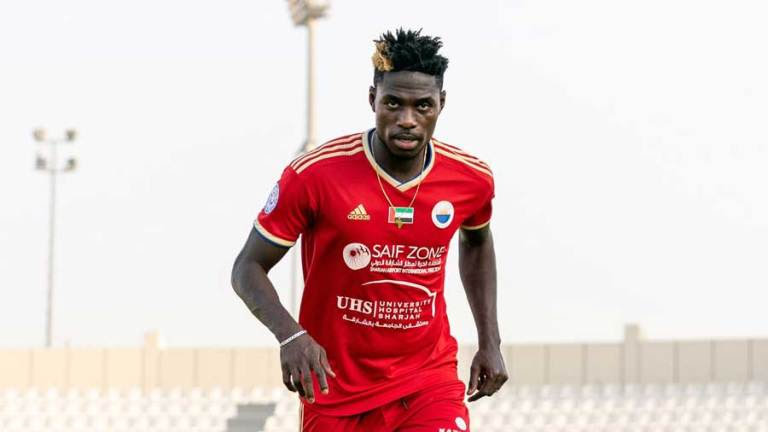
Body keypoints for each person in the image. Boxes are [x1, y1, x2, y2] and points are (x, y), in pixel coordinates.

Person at [232, 28, 507, 432]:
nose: (407, 120)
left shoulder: (471, 179)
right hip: (334, 386)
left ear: (441, 104)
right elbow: (247, 267)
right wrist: (290, 336)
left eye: (423, 106)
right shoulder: (315, 175)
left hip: (427, 379)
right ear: (372, 99)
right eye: (393, 103)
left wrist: (490, 341)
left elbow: (477, 242)